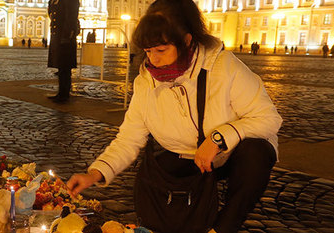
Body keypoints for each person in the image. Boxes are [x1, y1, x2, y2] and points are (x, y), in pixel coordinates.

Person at [66, 1, 282, 233]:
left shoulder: (224, 67)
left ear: (186, 41)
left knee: (256, 154)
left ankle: (222, 227)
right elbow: (130, 137)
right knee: (156, 178)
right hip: (186, 154)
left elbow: (269, 118)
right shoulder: (146, 81)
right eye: (148, 51)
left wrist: (218, 139)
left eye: (161, 50)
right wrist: (94, 174)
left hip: (232, 153)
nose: (153, 60)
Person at [46, 0, 79, 103]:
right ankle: (61, 92)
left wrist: (67, 35)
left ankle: (64, 94)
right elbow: (51, 12)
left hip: (65, 36)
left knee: (65, 67)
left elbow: (71, 17)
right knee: (60, 67)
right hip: (57, 35)